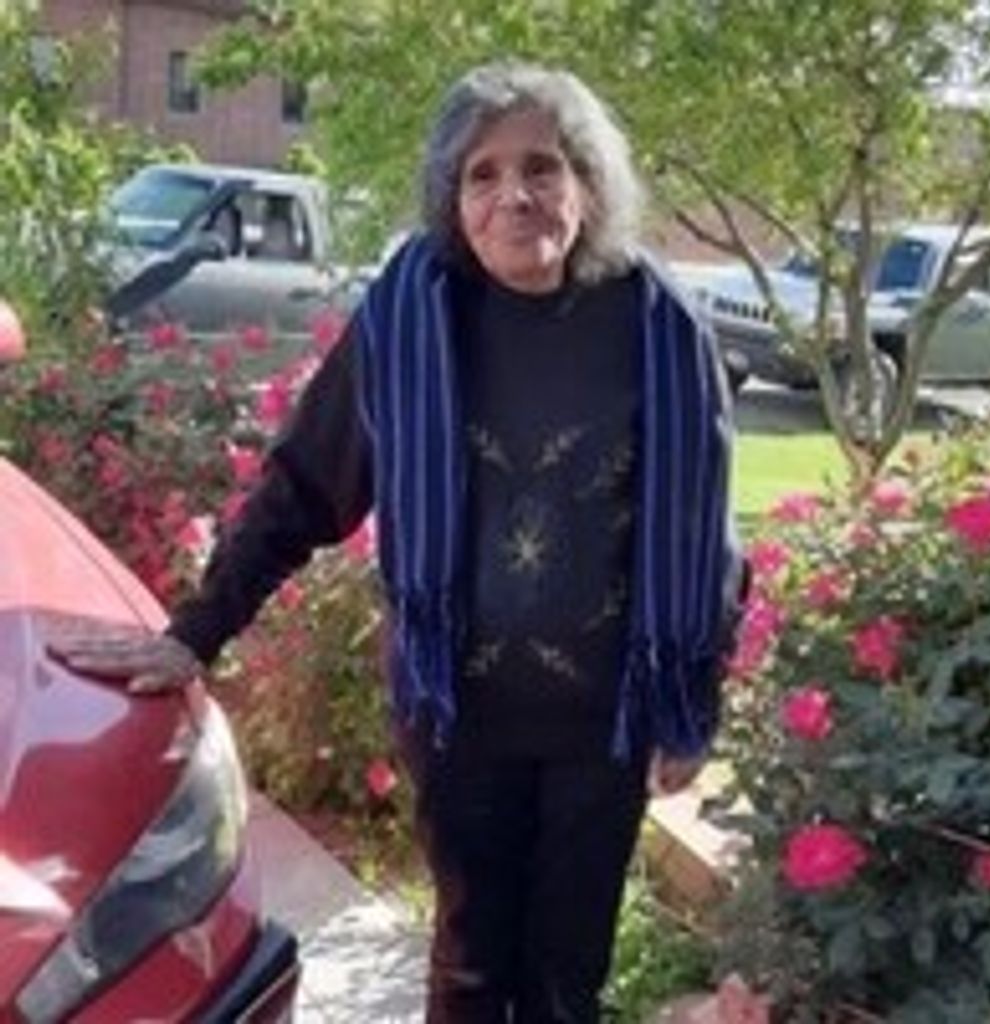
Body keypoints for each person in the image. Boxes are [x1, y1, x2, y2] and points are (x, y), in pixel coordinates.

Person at [51, 62, 746, 1024]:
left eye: (542, 167)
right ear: (451, 199)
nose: (515, 194)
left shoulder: (659, 327)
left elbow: (704, 537)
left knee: (567, 979)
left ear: (587, 183)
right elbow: (304, 488)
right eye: (482, 174)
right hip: (460, 719)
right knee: (469, 971)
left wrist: (691, 706)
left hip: (603, 729)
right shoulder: (410, 317)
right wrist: (194, 635)